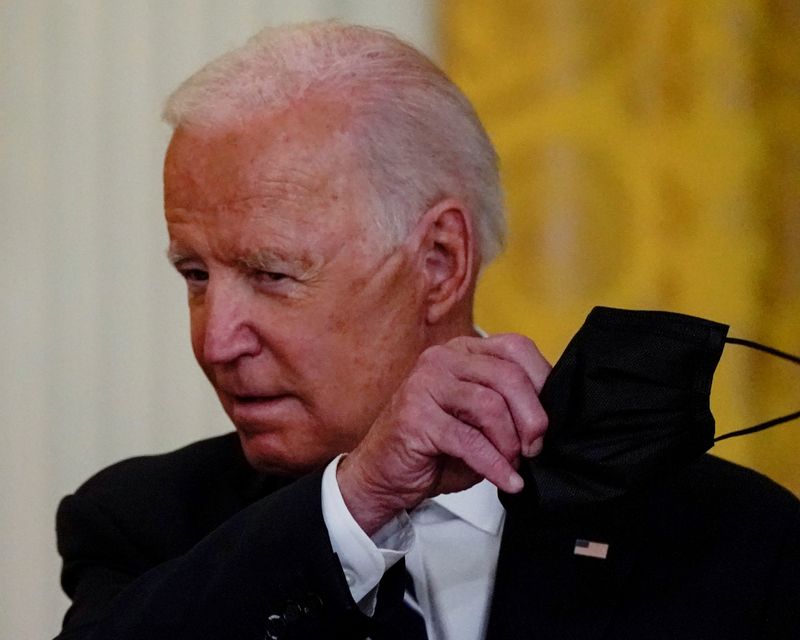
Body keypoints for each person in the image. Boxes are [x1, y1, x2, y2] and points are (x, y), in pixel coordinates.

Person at [55, 22, 799, 640]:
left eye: (272, 275)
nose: (215, 342)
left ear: (440, 261)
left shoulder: (735, 541)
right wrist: (353, 505)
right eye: (194, 275)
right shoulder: (141, 523)